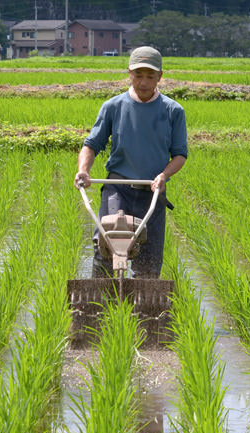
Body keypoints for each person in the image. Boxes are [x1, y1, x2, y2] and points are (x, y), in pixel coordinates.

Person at [75, 46, 187, 278]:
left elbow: (179, 154)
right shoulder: (113, 106)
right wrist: (83, 171)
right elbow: (91, 144)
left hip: (152, 190)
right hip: (118, 188)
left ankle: (145, 312)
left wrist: (163, 176)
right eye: (138, 75)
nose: (144, 82)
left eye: (150, 76)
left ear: (160, 77)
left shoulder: (172, 110)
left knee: (149, 262)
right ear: (129, 73)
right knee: (106, 249)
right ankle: (98, 306)